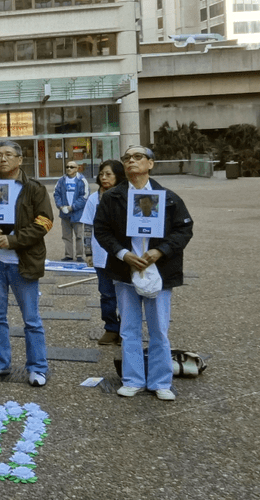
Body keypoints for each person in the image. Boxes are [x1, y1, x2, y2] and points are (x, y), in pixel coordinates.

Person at [94, 145, 194, 401]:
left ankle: (161, 381)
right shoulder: (113, 197)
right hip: (125, 271)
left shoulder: (168, 197)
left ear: (151, 163)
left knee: (159, 329)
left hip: (159, 271)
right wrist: (123, 254)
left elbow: (184, 229)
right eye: (126, 158)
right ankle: (133, 379)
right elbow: (101, 230)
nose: (130, 161)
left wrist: (160, 252)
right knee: (129, 329)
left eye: (138, 157)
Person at [0, 140, 53, 387]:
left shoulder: (33, 188)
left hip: (23, 262)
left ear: (20, 159)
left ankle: (37, 367)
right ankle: (0, 362)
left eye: (8, 155)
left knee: (31, 318)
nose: (2, 159)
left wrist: (14, 240)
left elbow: (45, 221)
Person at [80, 159, 125, 345]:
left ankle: (126, 328)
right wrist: (88, 253)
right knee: (106, 294)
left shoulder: (126, 195)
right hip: (101, 255)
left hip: (123, 254)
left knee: (125, 293)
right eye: (101, 174)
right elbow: (87, 228)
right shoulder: (93, 198)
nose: (104, 178)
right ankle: (111, 327)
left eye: (109, 174)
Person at [53, 160, 89, 262]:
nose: (69, 168)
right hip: (64, 214)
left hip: (77, 214)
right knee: (66, 236)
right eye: (67, 167)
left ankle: (79, 255)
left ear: (77, 169)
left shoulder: (82, 180)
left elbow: (84, 197)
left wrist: (72, 207)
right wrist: (60, 206)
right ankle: (68, 255)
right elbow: (56, 194)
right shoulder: (61, 180)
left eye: (72, 167)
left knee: (79, 236)